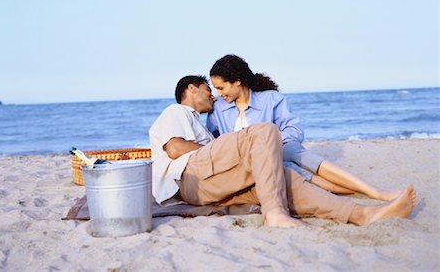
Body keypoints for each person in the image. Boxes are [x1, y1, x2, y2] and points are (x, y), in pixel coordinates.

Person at [149, 75, 416, 228]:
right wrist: (220, 149)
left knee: (283, 178)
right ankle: (275, 214)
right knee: (265, 131)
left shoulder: (202, 124)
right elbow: (174, 148)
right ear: (191, 88)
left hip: (212, 184)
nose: (214, 95)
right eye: (209, 89)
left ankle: (361, 214)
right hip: (190, 178)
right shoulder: (177, 111)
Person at [207, 54, 401, 201]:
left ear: (237, 81)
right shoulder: (218, 109)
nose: (218, 93)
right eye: (216, 88)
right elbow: (213, 140)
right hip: (252, 163)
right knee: (292, 170)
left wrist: (272, 144)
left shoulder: (271, 98)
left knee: (301, 156)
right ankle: (357, 191)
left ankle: (373, 191)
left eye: (221, 88)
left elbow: (294, 129)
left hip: (281, 147)